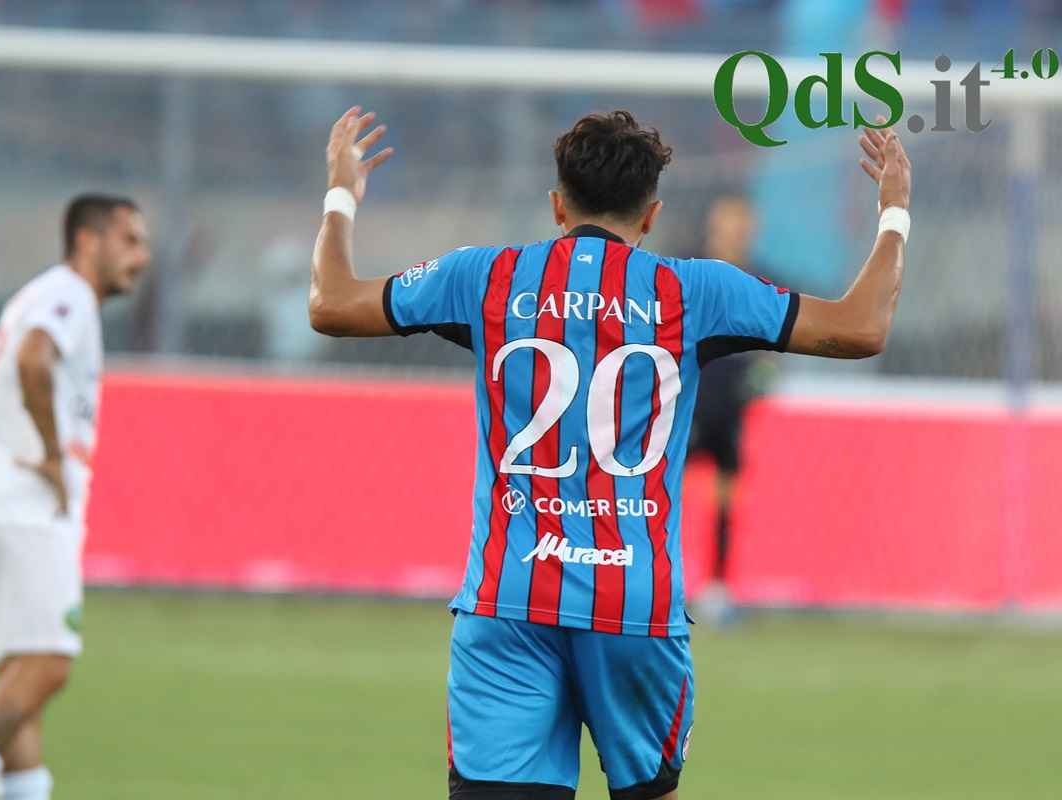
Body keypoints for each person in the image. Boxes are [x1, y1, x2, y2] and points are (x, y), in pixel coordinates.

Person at [309, 107, 910, 799]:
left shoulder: (485, 277)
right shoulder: (697, 290)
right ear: (651, 215)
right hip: (634, 604)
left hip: (509, 598)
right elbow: (861, 326)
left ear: (557, 206)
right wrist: (893, 212)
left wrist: (341, 196)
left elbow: (333, 304)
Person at [0, 195, 151, 800]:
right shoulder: (68, 294)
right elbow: (33, 357)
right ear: (87, 240)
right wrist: (52, 454)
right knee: (47, 668)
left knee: (22, 684)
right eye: (129, 240)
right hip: (27, 505)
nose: (141, 256)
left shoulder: (47, 295)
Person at [686, 195, 777, 625]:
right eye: (728, 225)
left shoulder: (759, 281)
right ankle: (649, 581)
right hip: (689, 403)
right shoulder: (689, 273)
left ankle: (717, 589)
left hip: (730, 407)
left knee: (725, 501)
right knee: (656, 495)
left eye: (742, 226)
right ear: (713, 227)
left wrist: (762, 375)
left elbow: (770, 344)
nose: (735, 234)